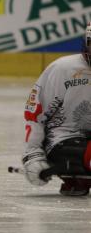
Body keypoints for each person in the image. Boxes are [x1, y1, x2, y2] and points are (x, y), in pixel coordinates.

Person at [22, 22, 91, 196]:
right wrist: (33, 154)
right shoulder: (62, 69)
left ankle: (80, 179)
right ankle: (77, 178)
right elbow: (35, 115)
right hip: (64, 139)